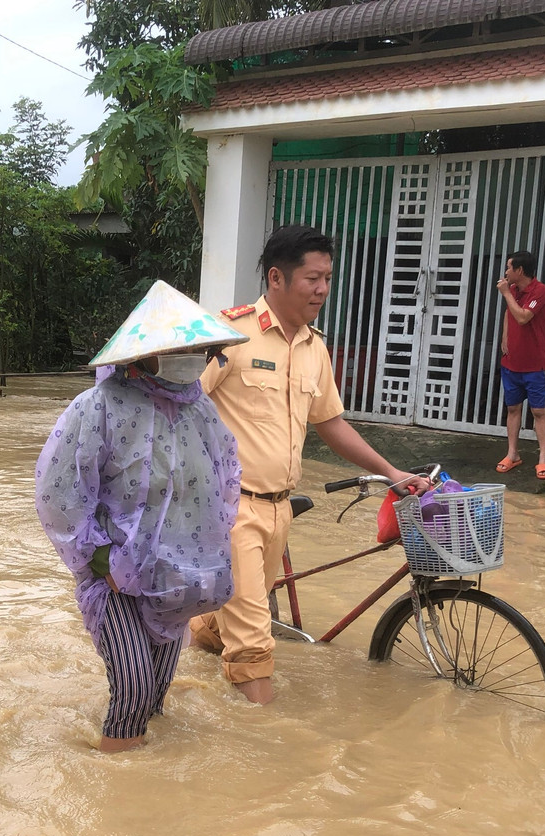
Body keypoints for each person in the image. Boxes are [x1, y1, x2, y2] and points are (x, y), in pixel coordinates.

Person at [188, 224, 430, 707]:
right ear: (276, 278)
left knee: (228, 620)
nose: (322, 289)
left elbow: (332, 425)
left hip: (279, 512)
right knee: (256, 644)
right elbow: (180, 403)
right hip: (231, 509)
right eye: (312, 278)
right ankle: (268, 749)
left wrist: (394, 473)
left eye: (328, 278)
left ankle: (191, 649)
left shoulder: (315, 347)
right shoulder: (228, 334)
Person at [35, 281, 244, 752]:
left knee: (155, 697)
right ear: (143, 354)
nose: (192, 357)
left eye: (200, 349)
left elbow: (220, 486)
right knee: (131, 691)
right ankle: (117, 802)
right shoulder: (98, 408)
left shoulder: (201, 412)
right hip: (117, 577)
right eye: (180, 348)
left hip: (178, 576)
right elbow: (58, 492)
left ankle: (154, 799)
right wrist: (100, 561)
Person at [493, 250, 545, 479]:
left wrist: (506, 293)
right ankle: (512, 453)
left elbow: (523, 317)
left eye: (509, 267)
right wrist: (504, 338)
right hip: (512, 362)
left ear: (519, 270)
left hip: (534, 363)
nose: (506, 272)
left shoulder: (540, 291)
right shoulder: (514, 291)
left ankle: (543, 458)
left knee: (538, 411)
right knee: (513, 408)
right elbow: (510, 316)